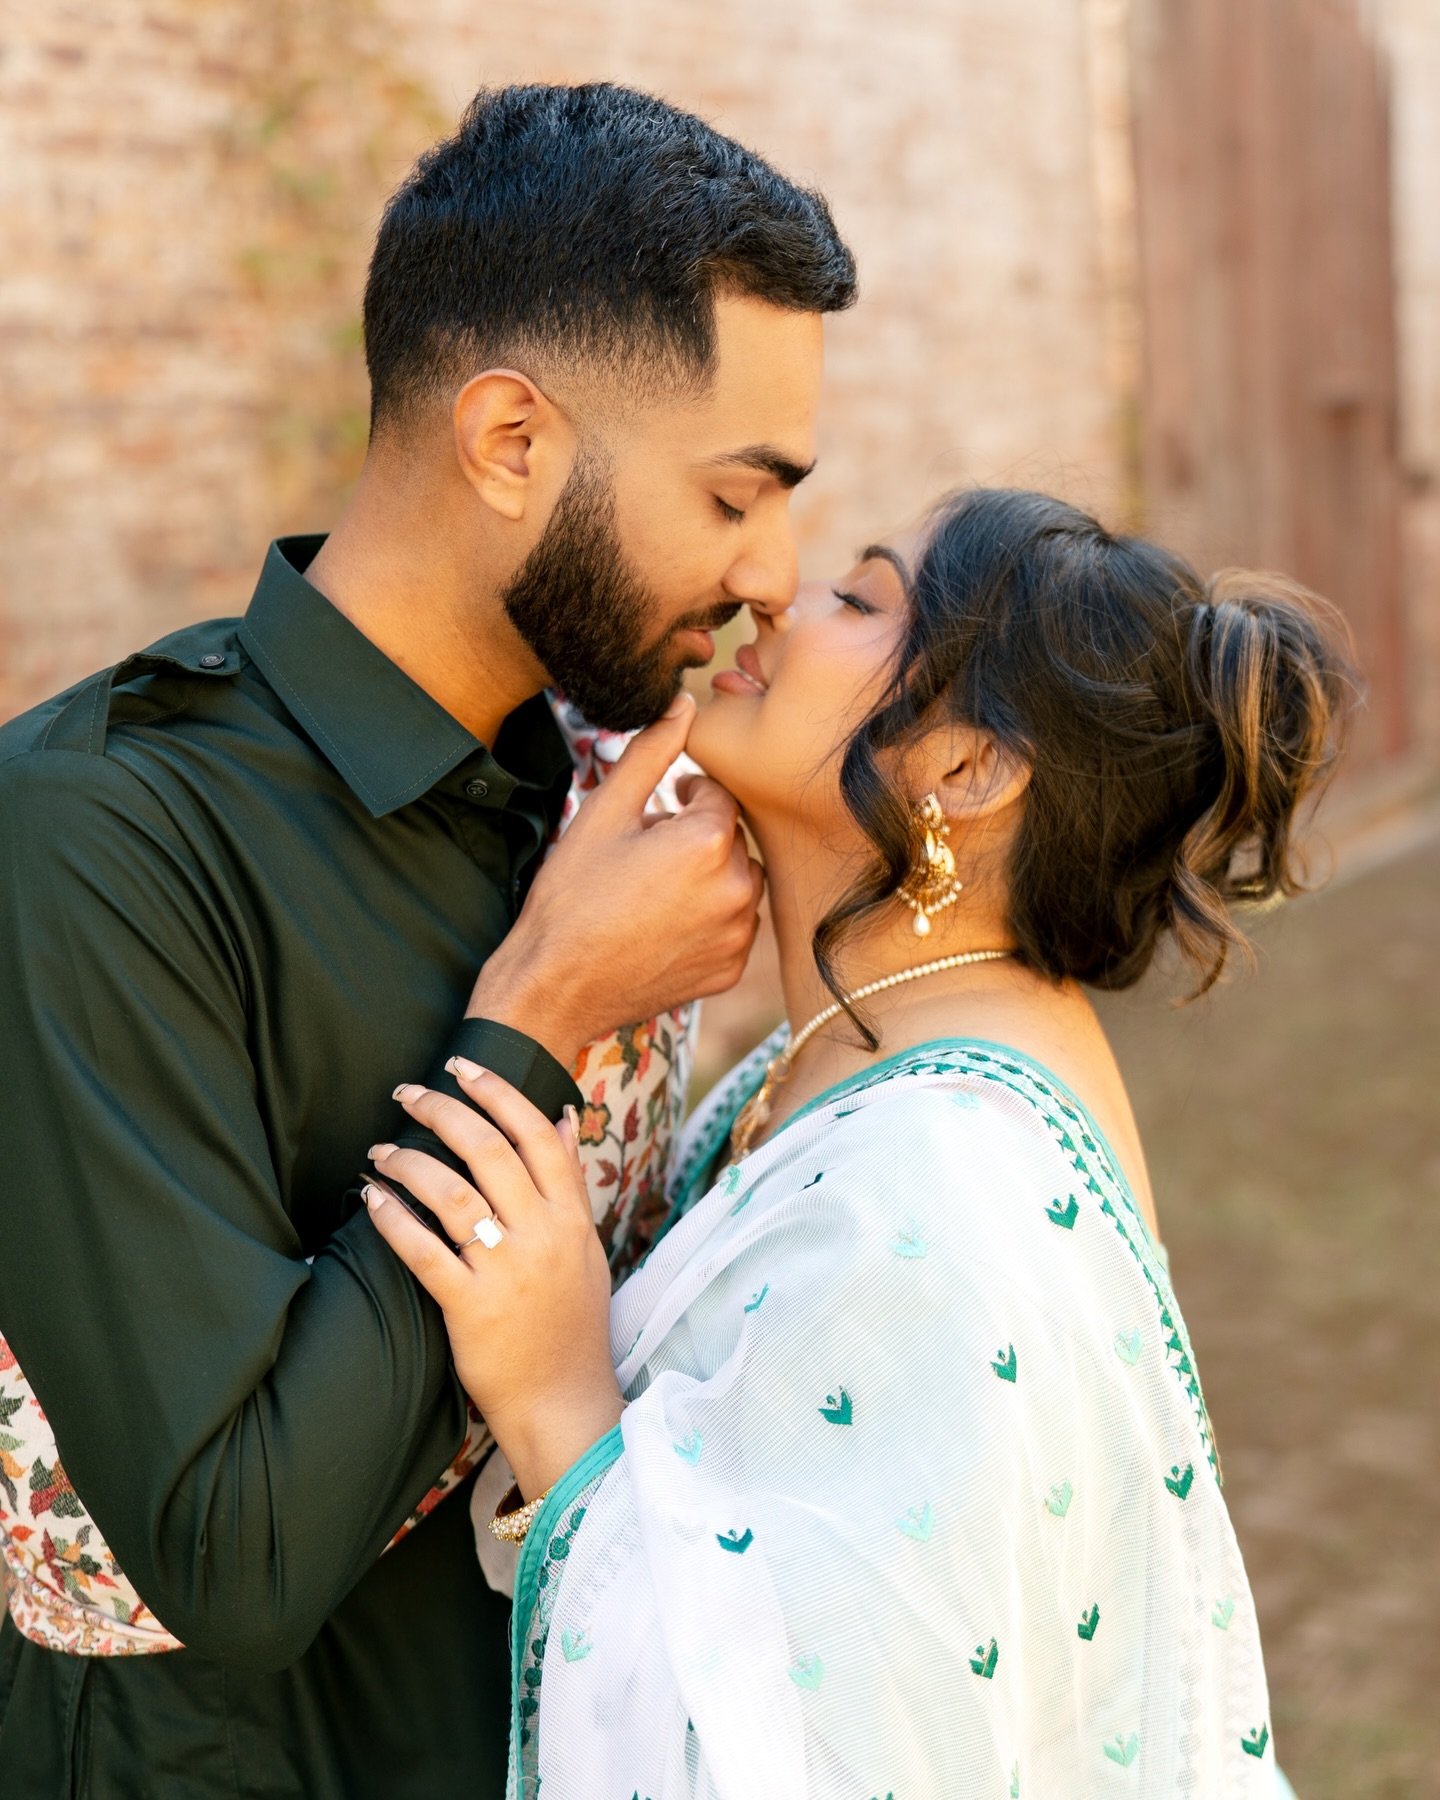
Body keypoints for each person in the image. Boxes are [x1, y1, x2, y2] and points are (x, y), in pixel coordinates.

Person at [0, 83, 855, 1796]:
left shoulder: (612, 794)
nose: (776, 571)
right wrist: (544, 1013)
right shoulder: (95, 833)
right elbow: (232, 1552)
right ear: (511, 439)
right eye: (733, 498)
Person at [367, 487, 1352, 1797]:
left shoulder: (939, 1186)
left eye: (861, 599)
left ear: (969, 770)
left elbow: (844, 1758)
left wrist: (561, 1407)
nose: (780, 600)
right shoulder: (851, 1053)